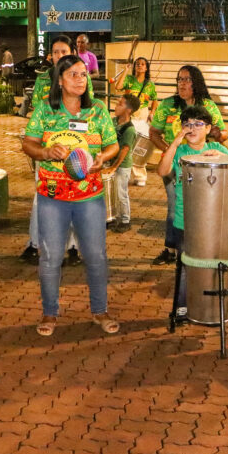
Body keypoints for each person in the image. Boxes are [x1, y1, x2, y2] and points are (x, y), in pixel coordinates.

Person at [21, 54, 120, 337]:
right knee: (50, 257)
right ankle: (50, 313)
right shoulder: (45, 110)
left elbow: (112, 145)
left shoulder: (97, 110)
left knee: (96, 256)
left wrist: (102, 157)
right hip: (52, 195)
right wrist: (45, 152)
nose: (81, 79)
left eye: (83, 74)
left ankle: (100, 310)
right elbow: (28, 143)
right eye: (74, 74)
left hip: (89, 195)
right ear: (60, 80)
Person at [156, 104, 228, 320]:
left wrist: (219, 154)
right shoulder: (180, 151)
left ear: (208, 128)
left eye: (198, 124)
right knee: (185, 265)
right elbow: (162, 170)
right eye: (187, 124)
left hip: (213, 223)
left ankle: (210, 306)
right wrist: (175, 141)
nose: (192, 128)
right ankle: (182, 306)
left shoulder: (216, 149)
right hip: (185, 221)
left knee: (211, 264)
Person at [22, 36, 90, 265]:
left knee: (74, 195)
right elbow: (38, 111)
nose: (59, 56)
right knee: (42, 197)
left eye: (64, 51)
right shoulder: (43, 79)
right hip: (47, 150)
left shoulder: (81, 78)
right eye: (55, 52)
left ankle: (73, 248)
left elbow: (88, 112)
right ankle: (34, 244)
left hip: (75, 150)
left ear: (72, 52)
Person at [149, 65, 226, 266]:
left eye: (187, 80)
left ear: (196, 83)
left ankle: (199, 248)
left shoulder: (208, 106)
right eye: (179, 79)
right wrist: (170, 149)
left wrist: (216, 136)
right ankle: (171, 248)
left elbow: (222, 133)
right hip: (176, 162)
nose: (182, 84)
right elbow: (153, 133)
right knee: (175, 207)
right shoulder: (167, 105)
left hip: (201, 166)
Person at [112, 56, 158, 186]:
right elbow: (118, 86)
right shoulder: (129, 79)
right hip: (129, 112)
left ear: (146, 68)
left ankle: (140, 176)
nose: (139, 66)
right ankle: (123, 172)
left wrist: (152, 112)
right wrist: (126, 70)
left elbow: (155, 100)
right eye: (137, 64)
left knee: (140, 145)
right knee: (126, 142)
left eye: (142, 64)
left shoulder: (150, 84)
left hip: (142, 112)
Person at [107, 93, 139, 233]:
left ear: (129, 110)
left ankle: (125, 219)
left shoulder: (130, 129)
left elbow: (125, 150)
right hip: (112, 163)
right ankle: (112, 217)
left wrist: (114, 166)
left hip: (122, 165)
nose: (116, 106)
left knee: (121, 193)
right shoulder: (113, 122)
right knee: (111, 192)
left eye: (120, 104)